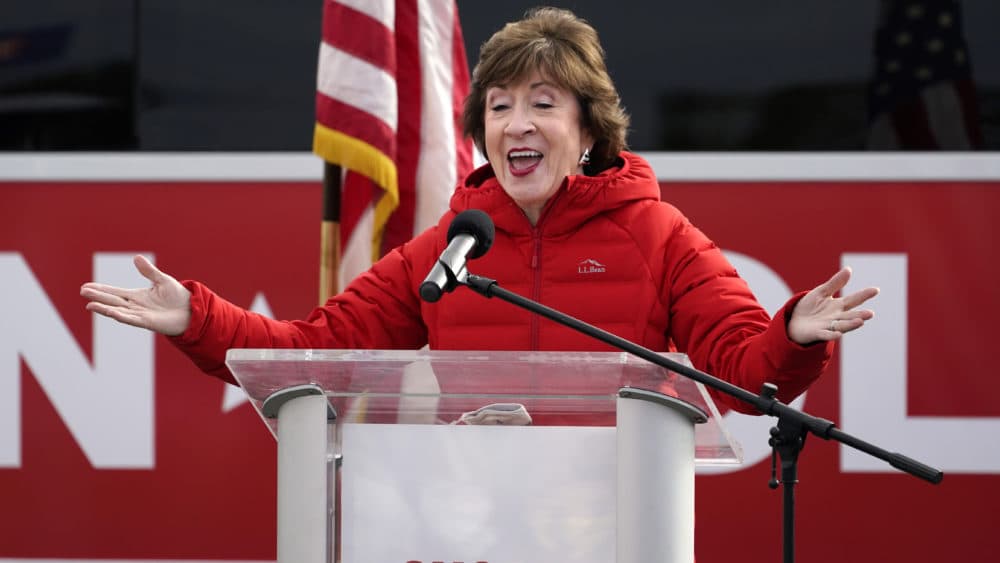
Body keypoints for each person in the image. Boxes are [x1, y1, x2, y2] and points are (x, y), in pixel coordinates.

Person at [80, 7, 878, 414]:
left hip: (610, 526)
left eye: (542, 103)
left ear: (589, 127)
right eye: (498, 106)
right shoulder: (452, 243)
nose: (516, 124)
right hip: (474, 527)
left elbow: (742, 371)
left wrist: (793, 336)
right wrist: (197, 317)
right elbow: (313, 354)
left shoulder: (655, 234)